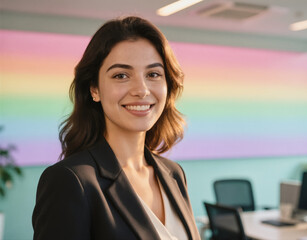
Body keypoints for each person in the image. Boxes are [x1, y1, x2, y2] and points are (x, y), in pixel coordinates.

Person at [32, 16, 200, 240]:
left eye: (153, 74)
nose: (141, 90)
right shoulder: (70, 181)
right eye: (121, 75)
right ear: (94, 89)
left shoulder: (174, 174)